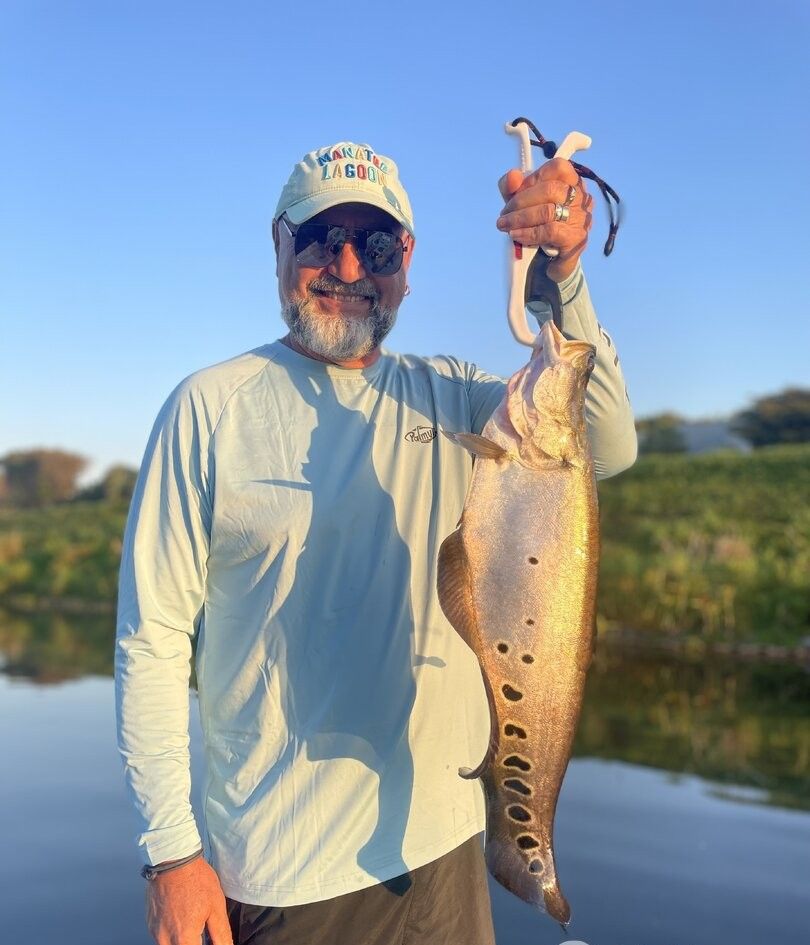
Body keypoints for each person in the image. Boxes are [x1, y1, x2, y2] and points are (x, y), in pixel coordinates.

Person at [115, 139, 637, 945]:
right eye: (323, 238)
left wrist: (562, 274)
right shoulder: (208, 408)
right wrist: (172, 854)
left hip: (450, 844)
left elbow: (604, 438)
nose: (349, 267)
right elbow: (150, 641)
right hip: (287, 878)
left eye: (378, 244)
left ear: (408, 259)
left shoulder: (457, 399)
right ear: (279, 243)